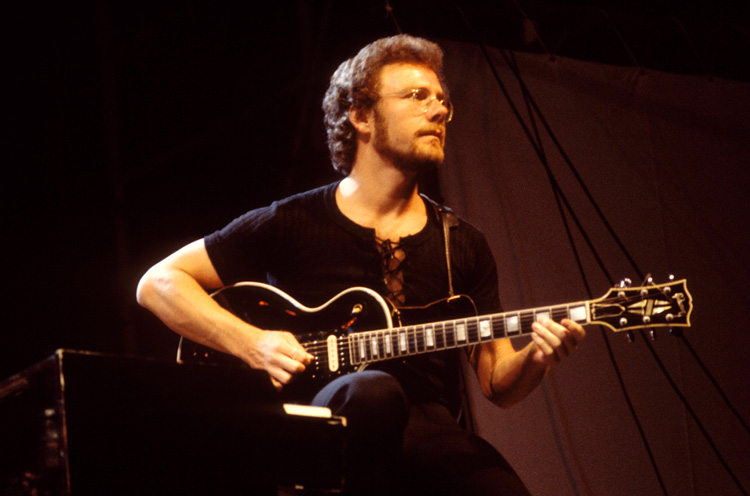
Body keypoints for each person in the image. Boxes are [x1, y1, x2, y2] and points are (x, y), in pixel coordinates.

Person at [137, 34, 586, 496]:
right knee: (374, 392)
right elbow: (158, 283)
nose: (438, 111)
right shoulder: (292, 220)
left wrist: (536, 358)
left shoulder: (464, 244)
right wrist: (254, 344)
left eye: (442, 100)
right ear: (361, 115)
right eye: (416, 96)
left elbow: (496, 383)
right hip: (315, 418)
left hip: (426, 430)